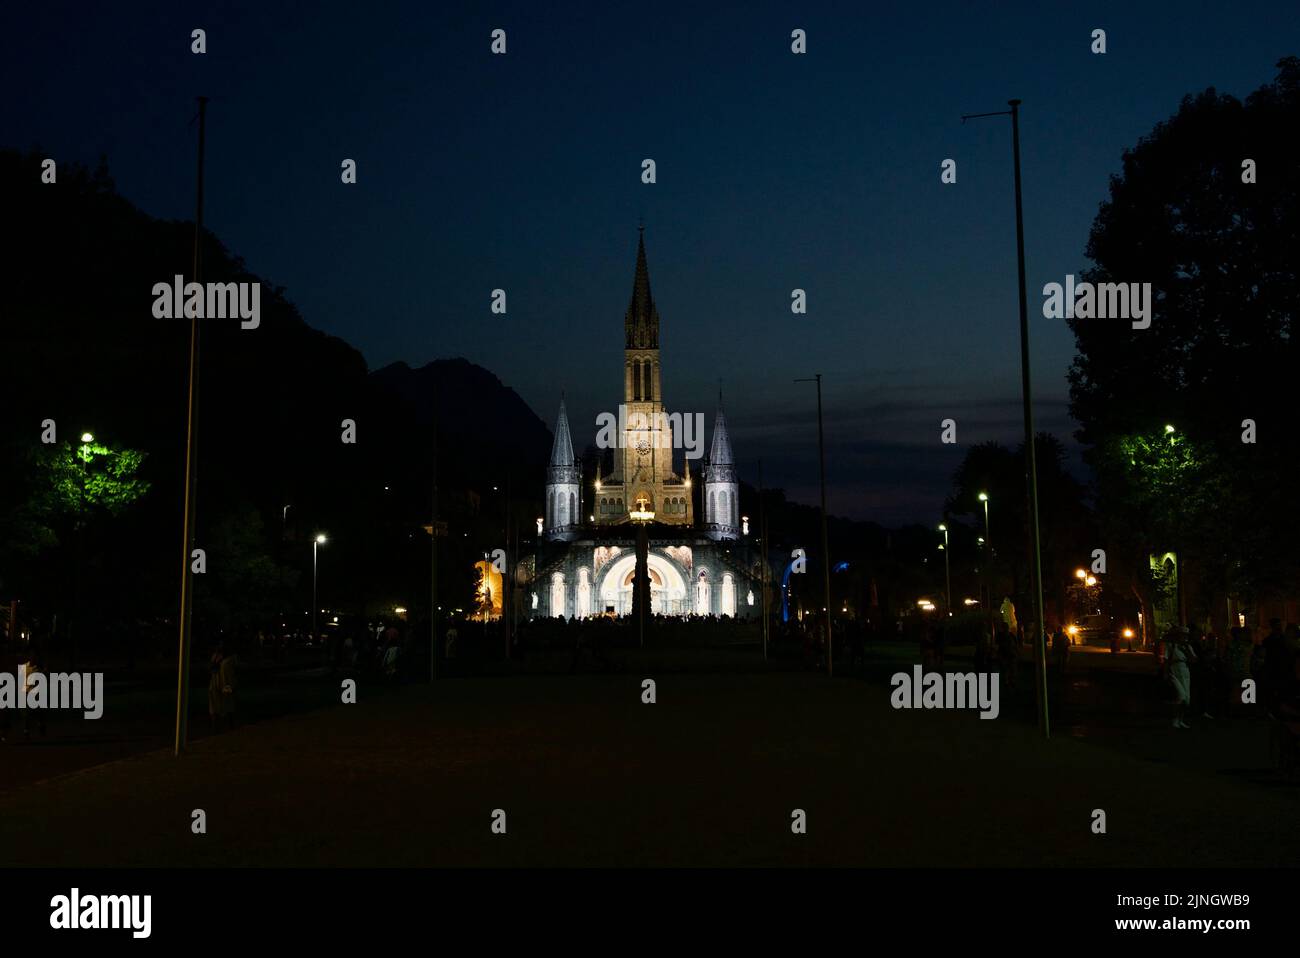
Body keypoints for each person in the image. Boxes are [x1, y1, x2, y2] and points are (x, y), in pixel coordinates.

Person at [1166, 628, 1196, 729]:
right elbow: (1167, 660)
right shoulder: (1171, 646)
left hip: (1185, 671)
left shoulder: (1188, 647)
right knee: (1181, 696)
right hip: (1174, 670)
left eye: (1185, 636)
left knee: (1186, 699)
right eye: (1182, 635)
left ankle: (1180, 720)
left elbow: (1193, 660)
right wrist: (1166, 672)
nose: (1184, 637)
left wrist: (1186, 650)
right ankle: (1175, 719)